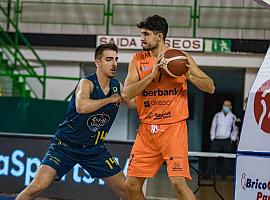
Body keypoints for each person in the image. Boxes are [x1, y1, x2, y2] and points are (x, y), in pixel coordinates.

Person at [15, 43, 134, 200]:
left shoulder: (117, 86)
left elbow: (134, 104)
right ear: (98, 62)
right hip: (65, 146)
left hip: (94, 149)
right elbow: (82, 107)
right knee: (37, 187)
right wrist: (109, 100)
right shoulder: (87, 83)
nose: (114, 64)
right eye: (109, 59)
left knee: (127, 191)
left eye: (116, 59)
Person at [122, 15, 215, 200]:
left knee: (178, 183)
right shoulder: (137, 60)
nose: (142, 38)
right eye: (141, 34)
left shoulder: (180, 58)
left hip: (173, 129)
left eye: (146, 34)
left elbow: (210, 86)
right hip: (147, 131)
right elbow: (126, 93)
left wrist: (190, 76)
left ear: (160, 36)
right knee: (131, 185)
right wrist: (150, 76)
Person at [207, 99, 238, 179]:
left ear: (230, 107)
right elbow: (213, 127)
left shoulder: (233, 117)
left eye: (227, 105)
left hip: (227, 140)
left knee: (226, 159)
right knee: (212, 157)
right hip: (217, 139)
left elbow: (235, 130)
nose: (226, 107)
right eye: (224, 105)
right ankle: (209, 174)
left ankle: (224, 176)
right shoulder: (217, 115)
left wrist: (233, 139)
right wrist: (212, 138)